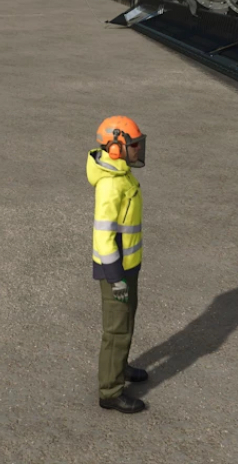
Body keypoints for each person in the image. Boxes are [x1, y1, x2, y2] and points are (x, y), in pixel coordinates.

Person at [87, 116, 148, 413]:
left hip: (128, 266)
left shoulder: (122, 174)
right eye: (134, 144)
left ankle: (120, 368)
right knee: (116, 330)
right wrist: (116, 278)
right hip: (117, 271)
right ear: (115, 148)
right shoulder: (111, 185)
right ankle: (110, 391)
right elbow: (103, 237)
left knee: (127, 320)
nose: (138, 149)